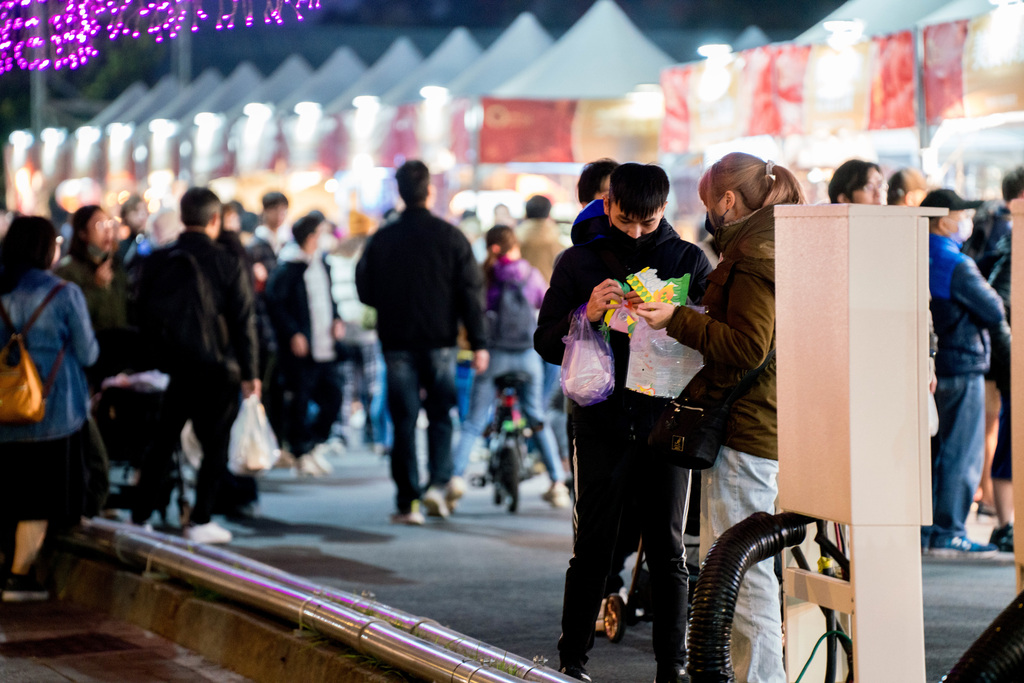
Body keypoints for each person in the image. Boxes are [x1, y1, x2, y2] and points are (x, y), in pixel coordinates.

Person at [535, 162, 712, 683]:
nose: (636, 232)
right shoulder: (578, 261)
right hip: (600, 421)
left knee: (668, 550)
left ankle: (672, 666)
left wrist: (678, 317)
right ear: (607, 205)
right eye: (625, 219)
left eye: (648, 221)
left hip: (668, 422)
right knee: (592, 546)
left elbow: (715, 336)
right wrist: (586, 315)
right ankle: (572, 660)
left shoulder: (687, 259)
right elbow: (544, 341)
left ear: (664, 210)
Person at [635, 152, 805, 683]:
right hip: (770, 421)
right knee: (744, 567)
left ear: (728, 200)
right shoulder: (784, 241)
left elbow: (749, 346)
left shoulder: (753, 255)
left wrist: (678, 319)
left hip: (746, 427)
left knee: (740, 572)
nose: (707, 213)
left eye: (709, 202)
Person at [356, 160, 488, 525]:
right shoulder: (451, 237)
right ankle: (437, 486)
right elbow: (471, 294)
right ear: (429, 190)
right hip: (441, 340)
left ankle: (408, 501)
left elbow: (365, 290)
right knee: (441, 415)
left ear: (399, 192)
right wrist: (479, 342)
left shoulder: (382, 238)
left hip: (396, 340)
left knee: (403, 419)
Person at [132, 187, 260, 544]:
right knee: (215, 444)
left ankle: (140, 516)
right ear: (215, 219)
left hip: (173, 365)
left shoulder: (159, 260)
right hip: (217, 365)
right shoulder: (226, 261)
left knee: (163, 440)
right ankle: (200, 518)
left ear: (183, 216)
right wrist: (251, 372)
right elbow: (243, 320)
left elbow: (139, 311)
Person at [0, 216, 99, 601]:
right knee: (37, 498)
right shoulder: (64, 293)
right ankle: (19, 577)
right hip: (53, 413)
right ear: (44, 249)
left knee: (7, 491)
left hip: (3, 410)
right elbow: (88, 353)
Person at [452, 225, 569, 509]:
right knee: (537, 417)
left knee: (474, 422)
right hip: (528, 357)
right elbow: (545, 305)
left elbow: (473, 312)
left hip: (493, 356)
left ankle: (453, 480)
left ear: (491, 247)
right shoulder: (531, 274)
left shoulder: (485, 275)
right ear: (515, 245)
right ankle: (557, 483)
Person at [921, 188, 1007, 557]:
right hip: (961, 365)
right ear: (943, 221)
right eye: (962, 215)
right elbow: (993, 308)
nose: (967, 222)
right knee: (961, 453)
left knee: (933, 452)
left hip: (931, 368)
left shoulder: (913, 255)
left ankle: (928, 530)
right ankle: (949, 531)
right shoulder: (954, 262)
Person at [266, 214, 346, 477]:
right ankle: (300, 450)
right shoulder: (289, 267)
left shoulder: (322, 264)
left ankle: (311, 444)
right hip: (302, 349)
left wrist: (337, 319)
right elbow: (275, 304)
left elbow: (329, 300)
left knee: (333, 396)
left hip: (326, 345)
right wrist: (293, 333)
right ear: (311, 237)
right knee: (299, 400)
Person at [979, 167, 1024, 552]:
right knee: (1010, 437)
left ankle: (1007, 523)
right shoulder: (1013, 244)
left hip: (1004, 360)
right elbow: (1001, 304)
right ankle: (1007, 524)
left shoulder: (1006, 239)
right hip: (1012, 362)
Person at [517, 194, 567, 285]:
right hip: (548, 289)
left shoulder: (516, 237)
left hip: (521, 290)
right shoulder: (556, 238)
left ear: (526, 213)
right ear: (549, 213)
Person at [115, 193, 148, 266]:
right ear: (126, 217)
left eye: (144, 210)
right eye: (136, 211)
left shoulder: (154, 239)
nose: (142, 215)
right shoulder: (123, 247)